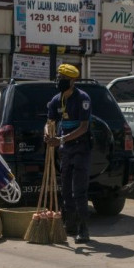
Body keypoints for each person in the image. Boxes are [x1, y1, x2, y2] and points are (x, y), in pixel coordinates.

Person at [44, 64, 92, 243]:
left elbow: (83, 127)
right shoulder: (56, 100)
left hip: (81, 148)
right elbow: (49, 121)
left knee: (79, 190)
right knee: (65, 190)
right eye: (58, 77)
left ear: (72, 81)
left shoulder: (82, 99)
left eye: (63, 78)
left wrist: (61, 140)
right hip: (65, 151)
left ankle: (83, 229)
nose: (59, 81)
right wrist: (47, 133)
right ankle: (69, 224)